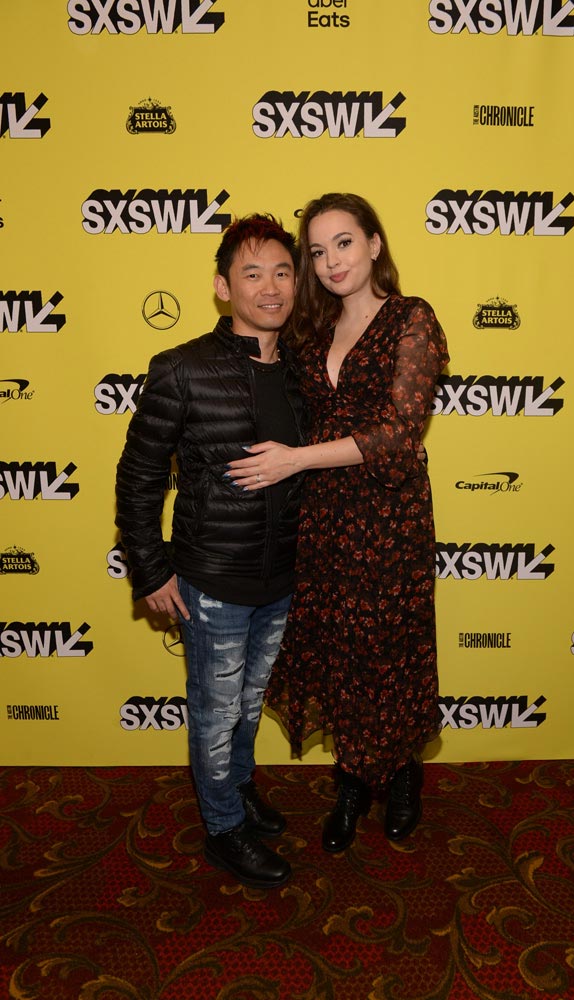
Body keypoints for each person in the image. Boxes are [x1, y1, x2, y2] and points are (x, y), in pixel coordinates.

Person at [227, 192, 448, 853]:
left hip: (389, 518)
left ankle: (401, 773)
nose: (331, 261)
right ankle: (351, 782)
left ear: (374, 244)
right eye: (317, 252)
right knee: (340, 650)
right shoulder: (310, 332)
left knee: (390, 649)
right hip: (324, 518)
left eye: (343, 243)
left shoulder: (411, 318)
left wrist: (294, 459)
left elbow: (398, 434)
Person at [115, 214, 307, 888]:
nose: (270, 287)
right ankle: (223, 829)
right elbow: (139, 475)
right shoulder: (183, 368)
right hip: (213, 580)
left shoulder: (304, 370)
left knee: (250, 705)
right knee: (216, 711)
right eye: (252, 273)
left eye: (282, 272)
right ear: (224, 288)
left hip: (281, 579)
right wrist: (150, 570)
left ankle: (239, 789)